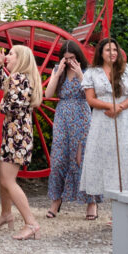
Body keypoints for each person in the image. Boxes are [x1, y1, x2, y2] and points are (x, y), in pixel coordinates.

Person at [0, 45, 42, 241]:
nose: (7, 56)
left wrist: (3, 103)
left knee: (8, 180)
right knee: (1, 174)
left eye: (11, 54)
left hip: (16, 135)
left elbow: (8, 106)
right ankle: (6, 214)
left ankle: (31, 223)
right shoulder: (20, 78)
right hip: (17, 133)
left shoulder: (19, 79)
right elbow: (2, 86)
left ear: (22, 59)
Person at [43, 41, 99, 220]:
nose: (69, 62)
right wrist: (58, 72)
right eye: (66, 59)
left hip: (81, 115)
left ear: (78, 57)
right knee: (58, 159)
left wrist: (80, 74)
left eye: (72, 58)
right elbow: (48, 94)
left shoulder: (88, 71)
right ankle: (56, 201)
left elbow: (93, 95)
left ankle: (92, 202)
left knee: (82, 159)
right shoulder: (58, 70)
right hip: (62, 116)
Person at [79, 38, 128, 202]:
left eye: (114, 50)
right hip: (102, 120)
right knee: (104, 158)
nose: (112, 53)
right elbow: (90, 99)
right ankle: (111, 203)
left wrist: (120, 107)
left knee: (126, 157)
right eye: (107, 50)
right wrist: (109, 106)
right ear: (101, 53)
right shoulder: (92, 72)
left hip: (125, 119)